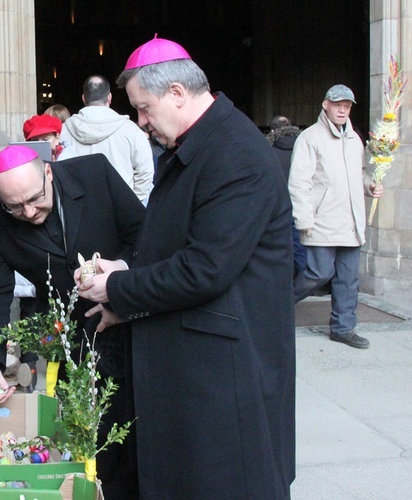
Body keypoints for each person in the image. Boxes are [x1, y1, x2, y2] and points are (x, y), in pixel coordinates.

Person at [75, 37, 296, 499]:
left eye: (145, 108)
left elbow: (205, 269)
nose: (141, 122)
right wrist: (124, 267)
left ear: (177, 93)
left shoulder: (235, 153)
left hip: (224, 372)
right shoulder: (198, 143)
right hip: (195, 363)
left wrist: (119, 287)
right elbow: (174, 240)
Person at [0, 145, 145, 498]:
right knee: (95, 448)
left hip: (137, 327)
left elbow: (143, 236)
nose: (30, 212)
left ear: (48, 172)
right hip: (76, 342)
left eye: (35, 198)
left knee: (144, 444)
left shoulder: (95, 174)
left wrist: (120, 295)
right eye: (15, 206)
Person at [289, 84, 383, 349]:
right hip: (322, 220)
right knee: (318, 273)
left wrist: (370, 186)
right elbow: (298, 182)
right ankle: (277, 305)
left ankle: (343, 328)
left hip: (350, 221)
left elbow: (359, 174)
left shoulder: (354, 140)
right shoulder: (310, 138)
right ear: (325, 104)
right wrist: (304, 220)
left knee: (348, 277)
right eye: (338, 104)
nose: (343, 109)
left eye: (347, 105)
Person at [59, 75, 154, 202]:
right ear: (109, 97)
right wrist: (134, 204)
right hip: (121, 209)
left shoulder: (63, 130)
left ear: (83, 98)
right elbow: (145, 173)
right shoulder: (131, 130)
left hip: (79, 209)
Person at [267, 115, 306, 277]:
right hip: (303, 204)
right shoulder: (304, 147)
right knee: (301, 249)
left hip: (277, 208)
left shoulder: (267, 151)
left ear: (272, 130)